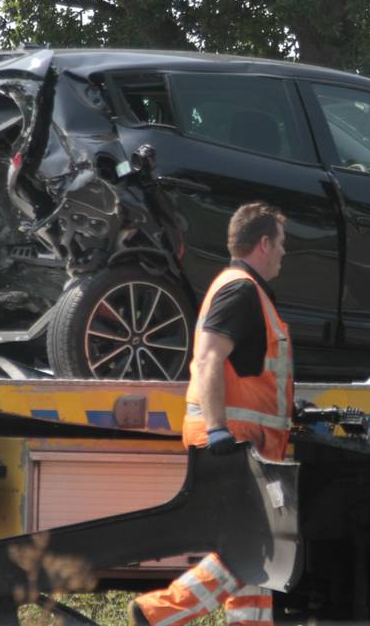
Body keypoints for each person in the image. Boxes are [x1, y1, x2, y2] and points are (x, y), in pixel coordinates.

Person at [131, 202, 293, 626]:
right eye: (281, 243)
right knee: (253, 546)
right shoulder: (240, 290)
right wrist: (219, 429)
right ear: (263, 244)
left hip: (241, 438)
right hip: (232, 439)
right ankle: (155, 614)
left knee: (259, 548)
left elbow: (248, 370)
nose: (284, 252)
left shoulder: (247, 291)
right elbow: (207, 359)